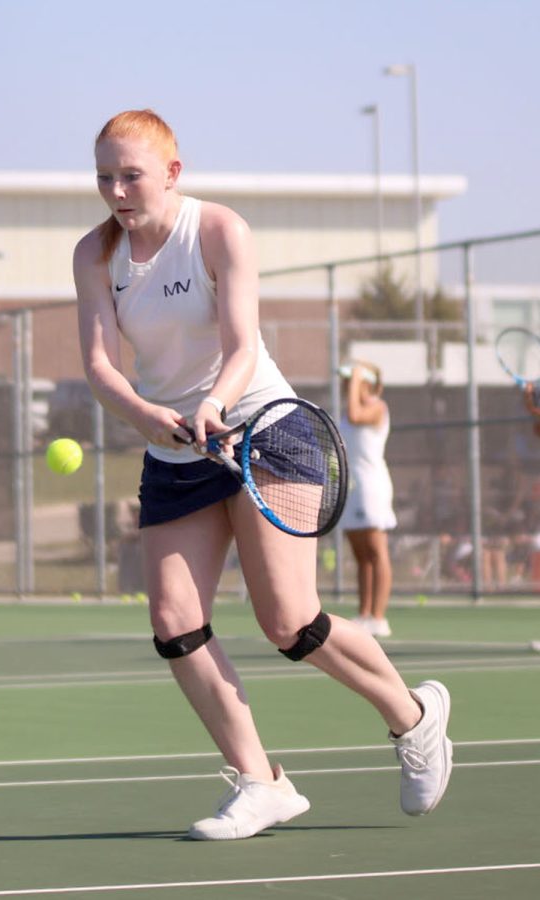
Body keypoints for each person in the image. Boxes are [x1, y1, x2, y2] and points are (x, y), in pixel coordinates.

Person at [74, 109, 453, 841]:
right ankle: (260, 782)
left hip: (265, 431)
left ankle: (414, 718)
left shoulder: (218, 231)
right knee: (174, 622)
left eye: (130, 175)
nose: (115, 190)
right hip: (175, 451)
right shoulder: (94, 253)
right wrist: (148, 416)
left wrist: (213, 402)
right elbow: (98, 365)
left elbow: (244, 344)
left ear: (172, 173)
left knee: (288, 620)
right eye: (103, 176)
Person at [339, 363, 396, 638]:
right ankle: (365, 614)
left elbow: (355, 413)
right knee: (361, 555)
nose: (346, 383)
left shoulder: (377, 407)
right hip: (351, 487)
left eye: (352, 380)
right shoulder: (347, 410)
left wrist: (359, 379)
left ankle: (379, 617)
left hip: (372, 487)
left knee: (376, 550)